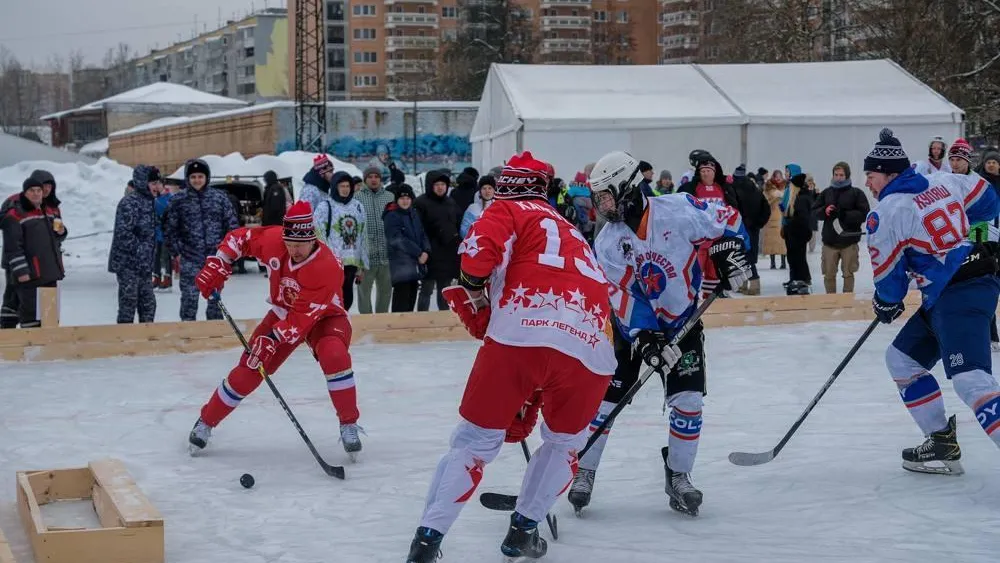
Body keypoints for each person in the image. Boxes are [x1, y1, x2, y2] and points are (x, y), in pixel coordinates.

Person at [405, 152, 616, 563]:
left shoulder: (508, 209)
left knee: (474, 443)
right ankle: (524, 529)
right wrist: (531, 393)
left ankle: (427, 541)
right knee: (563, 446)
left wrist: (473, 286)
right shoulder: (571, 229)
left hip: (521, 334)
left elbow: (477, 257)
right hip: (591, 348)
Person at [570, 150, 750, 518]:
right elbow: (618, 295)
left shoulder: (679, 208)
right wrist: (644, 337)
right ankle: (583, 469)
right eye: (598, 197)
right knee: (605, 403)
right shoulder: (608, 242)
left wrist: (730, 252)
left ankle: (679, 475)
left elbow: (726, 224)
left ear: (628, 188)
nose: (602, 205)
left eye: (606, 195)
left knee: (688, 402)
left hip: (682, 321)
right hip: (630, 331)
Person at [864, 128, 1000, 476]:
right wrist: (951, 237)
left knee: (971, 380)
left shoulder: (887, 212)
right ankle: (941, 440)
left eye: (872, 175)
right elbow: (989, 201)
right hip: (958, 286)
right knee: (901, 360)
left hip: (959, 291)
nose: (869, 183)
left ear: (890, 174)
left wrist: (886, 302)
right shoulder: (945, 181)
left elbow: (890, 281)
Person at [187, 201, 364, 460]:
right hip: (283, 313)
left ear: (312, 239)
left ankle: (348, 424)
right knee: (249, 368)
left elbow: (303, 316)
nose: (293, 250)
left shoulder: (326, 266)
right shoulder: (274, 241)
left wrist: (273, 337)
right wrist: (220, 261)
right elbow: (240, 238)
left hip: (325, 316)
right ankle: (205, 422)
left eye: (299, 245)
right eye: (289, 244)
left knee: (334, 355)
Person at [164, 159, 239, 321]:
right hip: (189, 258)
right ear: (187, 179)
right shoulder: (178, 201)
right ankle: (188, 335)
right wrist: (176, 252)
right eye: (193, 177)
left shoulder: (219, 198)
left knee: (215, 300)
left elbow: (232, 227)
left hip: (215, 260)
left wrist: (227, 253)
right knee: (189, 301)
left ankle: (214, 334)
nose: (197, 180)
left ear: (207, 177)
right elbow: (170, 230)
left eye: (200, 176)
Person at [0, 173, 67, 328]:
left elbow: (53, 237)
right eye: (41, 187)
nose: (44, 191)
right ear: (26, 191)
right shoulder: (15, 208)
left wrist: (62, 232)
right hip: (26, 268)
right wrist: (20, 269)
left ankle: (48, 345)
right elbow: (13, 243)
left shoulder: (50, 208)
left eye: (49, 187)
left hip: (48, 268)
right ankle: (9, 336)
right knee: (18, 304)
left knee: (49, 314)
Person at [108, 165, 161, 323]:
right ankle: (126, 342)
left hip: (143, 265)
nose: (157, 187)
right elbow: (123, 234)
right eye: (153, 183)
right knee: (128, 304)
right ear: (143, 183)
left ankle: (146, 340)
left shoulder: (150, 202)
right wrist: (143, 251)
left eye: (157, 183)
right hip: (128, 265)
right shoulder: (129, 203)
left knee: (148, 305)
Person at [315, 171, 368, 311]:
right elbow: (318, 232)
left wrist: (362, 264)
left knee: (347, 293)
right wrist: (327, 255)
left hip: (352, 260)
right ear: (335, 187)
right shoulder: (325, 206)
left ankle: (343, 321)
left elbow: (363, 234)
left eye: (347, 186)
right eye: (342, 186)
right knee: (333, 295)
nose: (345, 189)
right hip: (333, 260)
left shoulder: (358, 206)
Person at [813, 162, 869, 294]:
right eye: (836, 174)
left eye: (841, 175)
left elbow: (864, 214)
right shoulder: (826, 193)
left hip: (849, 242)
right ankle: (831, 302)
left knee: (848, 274)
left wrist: (844, 214)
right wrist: (824, 211)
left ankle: (847, 301)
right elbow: (814, 211)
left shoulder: (857, 193)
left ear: (847, 175)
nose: (838, 177)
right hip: (829, 242)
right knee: (828, 275)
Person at [384, 184, 430, 312]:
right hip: (400, 266)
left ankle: (408, 329)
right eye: (402, 198)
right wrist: (418, 252)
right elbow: (396, 239)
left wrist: (426, 250)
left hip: (414, 266)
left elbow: (422, 233)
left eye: (408, 198)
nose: (405, 201)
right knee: (401, 303)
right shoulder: (392, 215)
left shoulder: (413, 214)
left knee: (411, 300)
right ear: (397, 200)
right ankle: (397, 331)